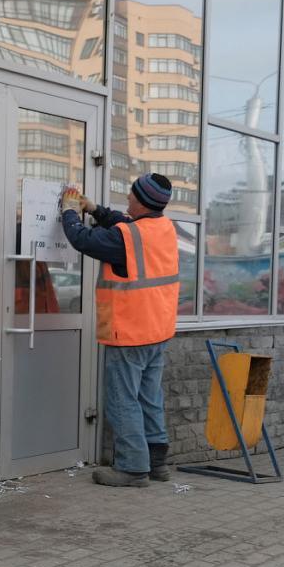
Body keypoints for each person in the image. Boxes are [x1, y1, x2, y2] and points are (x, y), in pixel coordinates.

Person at [59, 174, 179, 488]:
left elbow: (82, 239)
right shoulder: (163, 227)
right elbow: (123, 222)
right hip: (158, 330)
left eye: (131, 195)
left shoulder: (125, 237)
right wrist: (95, 209)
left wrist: (70, 211)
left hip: (130, 332)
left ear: (142, 200)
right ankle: (156, 463)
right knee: (149, 398)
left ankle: (132, 468)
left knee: (123, 400)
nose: (127, 198)